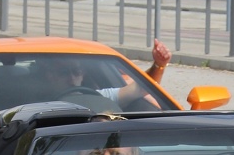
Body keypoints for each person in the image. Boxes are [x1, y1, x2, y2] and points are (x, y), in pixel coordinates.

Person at [38, 39, 171, 108]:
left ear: (82, 75)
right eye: (64, 73)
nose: (72, 78)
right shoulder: (36, 105)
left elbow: (141, 88)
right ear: (50, 76)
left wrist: (159, 65)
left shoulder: (99, 97)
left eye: (76, 72)